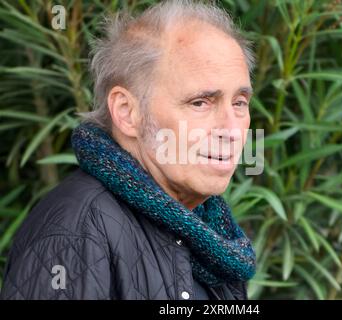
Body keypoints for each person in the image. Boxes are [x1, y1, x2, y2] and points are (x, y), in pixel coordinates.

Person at [0, 0, 256, 300]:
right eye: (200, 102)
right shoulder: (75, 232)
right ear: (127, 112)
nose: (230, 128)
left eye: (239, 102)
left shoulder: (213, 235)